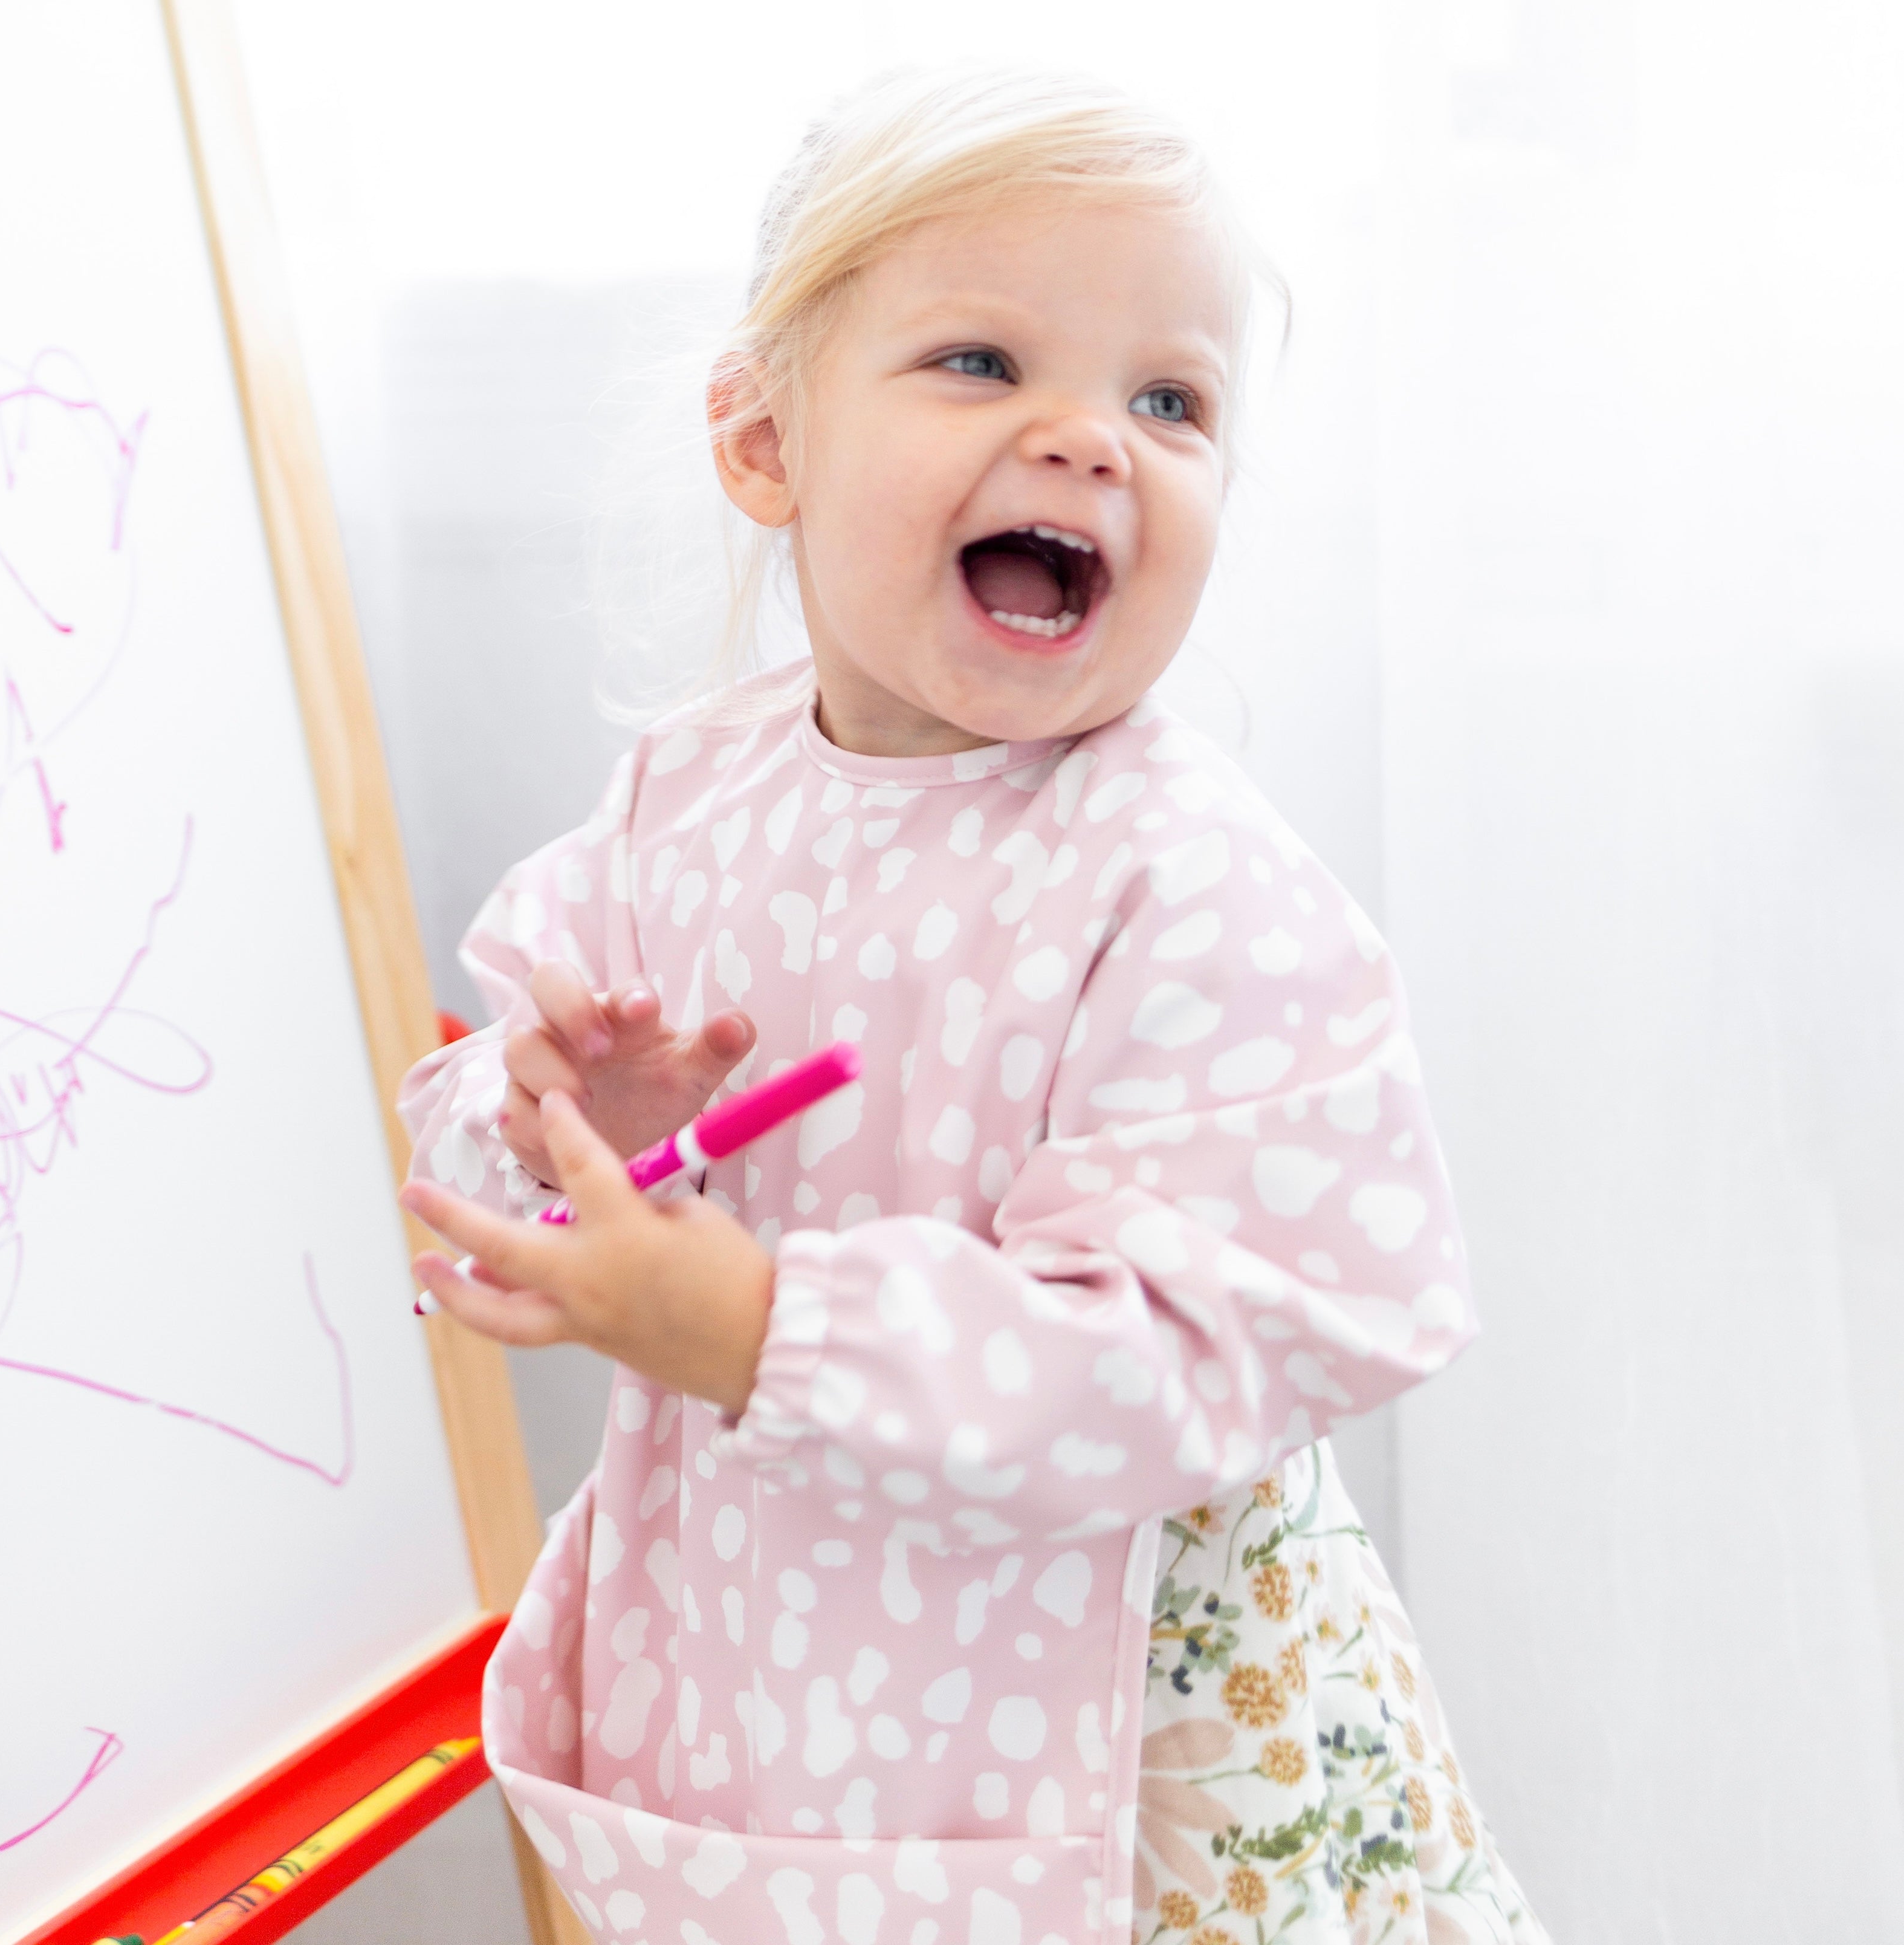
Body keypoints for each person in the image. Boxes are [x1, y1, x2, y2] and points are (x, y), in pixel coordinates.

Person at [397, 66, 1547, 1945]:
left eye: (1168, 400)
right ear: (763, 443)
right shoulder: (679, 805)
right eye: (982, 363)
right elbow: (474, 1168)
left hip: (1127, 1772)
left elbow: (1204, 1340)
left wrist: (767, 1324)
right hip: (779, 1700)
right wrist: (560, 1137)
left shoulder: (1194, 886)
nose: (1093, 439)